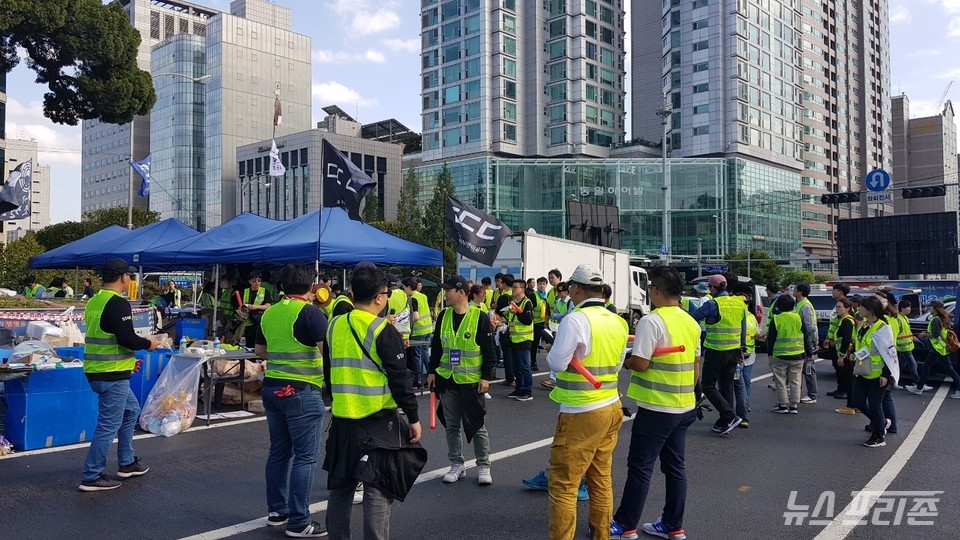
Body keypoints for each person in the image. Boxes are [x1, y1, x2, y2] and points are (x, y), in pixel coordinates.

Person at [323, 263, 426, 540]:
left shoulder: (334, 325)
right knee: (377, 490)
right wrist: (414, 419)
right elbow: (400, 379)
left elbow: (328, 371)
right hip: (378, 421)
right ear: (380, 297)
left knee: (340, 487)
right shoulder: (382, 329)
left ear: (353, 292)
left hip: (343, 419)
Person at [609, 266, 700, 540]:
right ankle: (673, 525)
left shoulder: (652, 321)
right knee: (675, 468)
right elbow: (697, 366)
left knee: (640, 467)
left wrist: (626, 361)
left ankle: (625, 525)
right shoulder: (690, 322)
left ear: (656, 291)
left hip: (657, 408)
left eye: (650, 288)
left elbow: (641, 362)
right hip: (684, 406)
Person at [545, 263, 628, 540]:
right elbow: (617, 365)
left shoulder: (575, 319)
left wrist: (553, 347)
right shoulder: (617, 320)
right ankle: (601, 534)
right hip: (611, 405)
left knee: (564, 485)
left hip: (581, 410)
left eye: (569, 287)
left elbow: (557, 363)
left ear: (576, 288)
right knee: (600, 477)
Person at [254, 264, 328, 537]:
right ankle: (299, 521)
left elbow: (260, 350)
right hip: (302, 392)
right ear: (311, 287)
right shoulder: (311, 314)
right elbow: (327, 354)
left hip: (272, 389)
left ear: (282, 287)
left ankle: (277, 512)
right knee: (305, 458)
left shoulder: (270, 313)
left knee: (279, 452)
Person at [79, 259, 159, 492]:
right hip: (111, 375)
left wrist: (128, 362)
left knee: (131, 410)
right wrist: (149, 343)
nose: (130, 280)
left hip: (100, 370)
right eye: (130, 276)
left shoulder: (94, 301)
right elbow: (126, 337)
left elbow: (109, 337)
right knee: (108, 425)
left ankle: (127, 462)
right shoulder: (117, 303)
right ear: (124, 277)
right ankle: (91, 475)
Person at [427, 275, 497, 485]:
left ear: (461, 293)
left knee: (476, 425)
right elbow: (437, 348)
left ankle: (483, 465)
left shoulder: (480, 317)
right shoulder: (444, 316)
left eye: (448, 290)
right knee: (451, 426)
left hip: (471, 382)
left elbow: (489, 352)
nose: (445, 294)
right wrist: (432, 371)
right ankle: (457, 463)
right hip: (448, 381)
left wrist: (486, 377)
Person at [690, 274, 746, 434]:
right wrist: (741, 349)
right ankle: (724, 422)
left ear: (713, 288)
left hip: (716, 351)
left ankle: (729, 415)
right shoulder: (739, 303)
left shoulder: (712, 304)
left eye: (710, 287)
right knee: (726, 386)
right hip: (734, 351)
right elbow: (743, 329)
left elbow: (693, 319)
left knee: (708, 386)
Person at [851, 296, 899, 448]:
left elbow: (890, 352)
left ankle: (878, 436)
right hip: (862, 370)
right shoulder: (863, 325)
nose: (858, 309)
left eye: (861, 307)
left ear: (870, 309)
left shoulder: (883, 327)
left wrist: (886, 374)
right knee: (858, 401)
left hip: (877, 374)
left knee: (875, 405)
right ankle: (882, 422)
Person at [767, 294, 814, 414]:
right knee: (796, 381)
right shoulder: (798, 318)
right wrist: (809, 353)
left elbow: (771, 339)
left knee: (780, 381)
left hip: (780, 355)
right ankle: (794, 406)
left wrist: (770, 353)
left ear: (779, 306)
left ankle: (783, 405)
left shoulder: (776, 319)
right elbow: (806, 336)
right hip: (798, 355)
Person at [907, 299, 960, 399]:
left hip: (937, 348)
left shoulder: (936, 319)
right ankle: (919, 387)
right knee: (942, 368)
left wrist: (924, 334)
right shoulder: (943, 318)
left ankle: (919, 388)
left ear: (935, 308)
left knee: (930, 367)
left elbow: (935, 335)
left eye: (930, 307)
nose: (928, 308)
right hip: (942, 348)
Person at [502, 275, 534, 400]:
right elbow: (510, 319)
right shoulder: (514, 303)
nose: (513, 290)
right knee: (517, 367)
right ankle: (519, 389)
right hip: (514, 338)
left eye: (516, 287)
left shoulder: (527, 303)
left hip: (524, 339)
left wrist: (518, 313)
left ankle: (527, 390)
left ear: (522, 289)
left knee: (524, 367)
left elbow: (528, 320)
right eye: (513, 287)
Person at [733, 294, 758, 428]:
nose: (744, 304)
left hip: (750, 355)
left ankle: (744, 408)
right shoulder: (735, 316)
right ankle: (739, 413)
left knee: (745, 383)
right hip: (738, 356)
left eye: (746, 301)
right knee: (738, 384)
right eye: (741, 301)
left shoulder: (752, 317)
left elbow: (756, 333)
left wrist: (759, 336)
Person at [404, 277, 433, 388]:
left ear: (408, 287)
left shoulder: (412, 298)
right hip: (428, 328)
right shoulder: (423, 296)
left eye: (404, 287)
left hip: (419, 329)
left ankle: (418, 380)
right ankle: (430, 376)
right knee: (425, 354)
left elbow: (415, 317)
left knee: (417, 356)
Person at [793, 283, 819, 404]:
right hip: (801, 340)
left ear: (800, 292)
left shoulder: (805, 306)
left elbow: (810, 326)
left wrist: (814, 341)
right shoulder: (799, 304)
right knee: (802, 368)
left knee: (808, 369)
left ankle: (812, 395)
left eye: (795, 288)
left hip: (806, 341)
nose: (793, 290)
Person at [832, 298, 859, 415]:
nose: (837, 309)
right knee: (851, 381)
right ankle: (855, 405)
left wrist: (841, 356)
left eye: (840, 307)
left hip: (847, 355)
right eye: (836, 307)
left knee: (850, 381)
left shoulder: (846, 321)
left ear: (848, 308)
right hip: (850, 354)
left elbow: (846, 339)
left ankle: (851, 406)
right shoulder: (845, 319)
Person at [824, 283, 851, 398]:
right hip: (834, 341)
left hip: (841, 343)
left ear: (840, 292)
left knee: (843, 368)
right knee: (837, 367)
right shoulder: (838, 305)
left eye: (834, 290)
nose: (832, 292)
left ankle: (844, 390)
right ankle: (840, 388)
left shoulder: (846, 304)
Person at [238, 271, 273, 346]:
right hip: (248, 320)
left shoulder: (265, 292)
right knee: (249, 343)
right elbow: (239, 305)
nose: (257, 283)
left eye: (259, 281)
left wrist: (255, 307)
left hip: (260, 320)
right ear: (249, 281)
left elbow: (268, 305)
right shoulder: (244, 292)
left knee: (260, 342)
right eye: (254, 281)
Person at [894, 300, 920, 389]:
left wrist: (913, 337)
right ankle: (918, 384)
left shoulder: (904, 317)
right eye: (908, 307)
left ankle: (893, 381)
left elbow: (907, 331)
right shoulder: (898, 318)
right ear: (902, 308)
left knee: (901, 365)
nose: (910, 309)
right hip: (903, 346)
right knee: (913, 364)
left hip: (907, 345)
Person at [531, 277, 550, 371]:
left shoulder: (548, 295)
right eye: (540, 284)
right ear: (537, 285)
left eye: (543, 284)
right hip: (536, 324)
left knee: (551, 343)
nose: (542, 286)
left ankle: (553, 363)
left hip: (546, 323)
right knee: (534, 344)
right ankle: (533, 362)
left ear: (546, 285)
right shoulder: (534, 296)